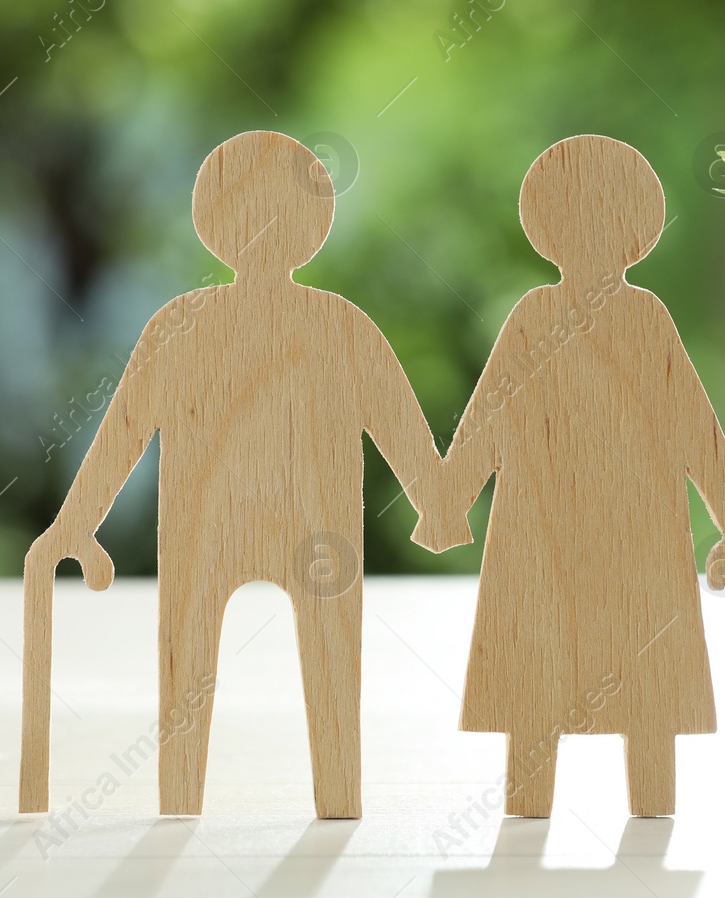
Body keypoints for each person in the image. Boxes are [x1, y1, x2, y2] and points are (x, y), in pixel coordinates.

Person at [25, 131, 443, 818]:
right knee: (262, 658)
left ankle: (216, 799)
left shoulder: (187, 323)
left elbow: (123, 433)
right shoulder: (334, 323)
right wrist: (435, 502)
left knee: (241, 657)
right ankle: (295, 797)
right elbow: (126, 430)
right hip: (261, 528)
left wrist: (77, 523)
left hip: (248, 528)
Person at [416, 134, 725, 817]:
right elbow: (491, 418)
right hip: (561, 536)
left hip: (619, 537)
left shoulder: (631, 319)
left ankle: (635, 807)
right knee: (548, 679)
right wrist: (447, 498)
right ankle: (565, 806)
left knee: (630, 684)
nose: (589, 237)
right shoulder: (556, 319)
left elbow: (692, 427)